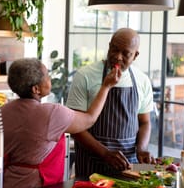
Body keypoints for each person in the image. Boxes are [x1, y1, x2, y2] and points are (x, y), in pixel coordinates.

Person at [0, 57, 124, 188]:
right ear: (36, 89)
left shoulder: (2, 111)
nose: (50, 78)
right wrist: (106, 86)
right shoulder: (52, 113)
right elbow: (90, 119)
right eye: (47, 76)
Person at [66, 28, 155, 178]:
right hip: (91, 164)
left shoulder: (142, 80)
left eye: (125, 53)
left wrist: (141, 148)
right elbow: (75, 127)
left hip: (128, 166)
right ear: (109, 46)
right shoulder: (85, 76)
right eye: (114, 49)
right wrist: (105, 153)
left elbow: (145, 122)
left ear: (135, 55)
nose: (117, 57)